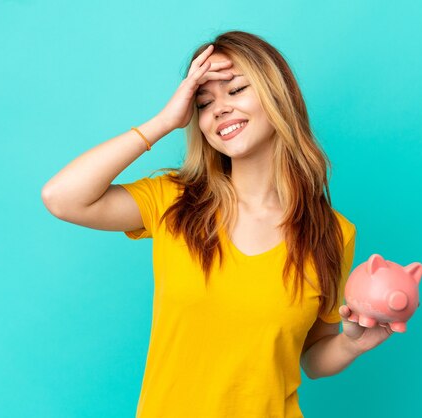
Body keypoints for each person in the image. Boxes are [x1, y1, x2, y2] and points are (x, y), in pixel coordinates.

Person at [42, 30, 394, 418]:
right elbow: (62, 198)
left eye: (236, 89)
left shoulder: (332, 233)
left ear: (280, 97)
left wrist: (353, 344)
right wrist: (164, 122)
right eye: (204, 103)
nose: (218, 109)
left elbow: (311, 357)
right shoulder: (174, 201)